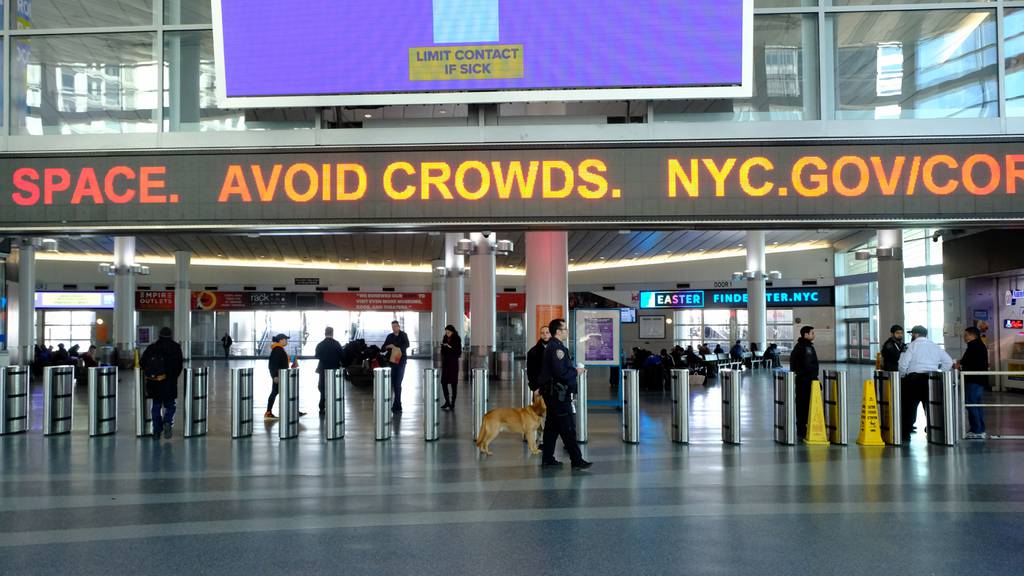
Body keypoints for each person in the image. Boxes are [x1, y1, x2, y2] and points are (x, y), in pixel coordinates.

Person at [539, 318, 591, 470]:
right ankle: (577, 460)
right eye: (565, 329)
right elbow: (560, 372)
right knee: (567, 427)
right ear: (558, 332)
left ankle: (547, 458)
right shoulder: (557, 349)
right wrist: (576, 371)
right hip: (558, 395)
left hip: (554, 394)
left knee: (551, 428)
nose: (567, 331)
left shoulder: (557, 346)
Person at [898, 325, 954, 442]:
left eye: (912, 334)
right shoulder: (934, 346)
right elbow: (948, 362)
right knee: (930, 405)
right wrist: (939, 375)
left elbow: (903, 364)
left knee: (910, 406)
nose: (911, 336)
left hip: (914, 379)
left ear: (916, 334)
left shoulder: (912, 346)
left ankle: (905, 433)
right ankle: (932, 429)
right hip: (931, 378)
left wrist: (903, 375)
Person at [141, 327, 184, 439]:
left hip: (155, 383)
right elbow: (180, 366)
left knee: (156, 406)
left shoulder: (152, 347)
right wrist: (173, 377)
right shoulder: (176, 348)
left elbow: (142, 363)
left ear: (159, 335)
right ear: (171, 335)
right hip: (170, 383)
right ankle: (167, 422)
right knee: (170, 405)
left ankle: (156, 431)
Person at [789, 326, 819, 440]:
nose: (814, 335)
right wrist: (814, 379)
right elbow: (808, 366)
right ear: (806, 335)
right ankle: (802, 428)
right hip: (806, 381)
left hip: (801, 380)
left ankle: (801, 427)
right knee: (804, 404)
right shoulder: (806, 348)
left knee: (801, 404)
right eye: (812, 333)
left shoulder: (799, 346)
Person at [960, 326, 989, 439]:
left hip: (973, 380)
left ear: (973, 335)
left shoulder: (974, 346)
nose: (964, 337)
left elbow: (969, 362)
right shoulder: (979, 345)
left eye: (966, 335)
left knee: (971, 403)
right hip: (979, 380)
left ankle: (977, 430)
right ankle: (979, 429)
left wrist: (960, 364)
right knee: (976, 404)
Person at [265, 333, 302, 420]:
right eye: (285, 339)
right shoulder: (277, 349)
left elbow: (284, 359)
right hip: (279, 376)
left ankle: (293, 411)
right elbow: (273, 364)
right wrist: (275, 376)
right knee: (275, 392)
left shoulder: (279, 349)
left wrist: (293, 359)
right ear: (281, 340)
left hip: (282, 375)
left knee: (283, 393)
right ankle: (268, 412)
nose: (286, 341)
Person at [314, 327, 344, 416]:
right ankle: (333, 407)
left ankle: (322, 408)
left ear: (325, 333)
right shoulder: (337, 344)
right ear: (332, 333)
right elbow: (342, 356)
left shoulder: (320, 344)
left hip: (323, 369)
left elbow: (317, 356)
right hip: (334, 369)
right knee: (334, 388)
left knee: (323, 389)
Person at [383, 321, 410, 412]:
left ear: (399, 327)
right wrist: (388, 346)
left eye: (395, 326)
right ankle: (397, 404)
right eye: (392, 327)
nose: (394, 328)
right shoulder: (389, 336)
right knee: (394, 384)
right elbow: (383, 348)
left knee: (398, 383)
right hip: (392, 362)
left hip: (401, 361)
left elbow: (407, 344)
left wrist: (395, 347)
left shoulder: (403, 335)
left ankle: (397, 404)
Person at [440, 324, 462, 410]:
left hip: (453, 364)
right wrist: (445, 347)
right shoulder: (445, 338)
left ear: (452, 332)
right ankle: (447, 401)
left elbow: (458, 352)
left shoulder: (457, 338)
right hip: (446, 364)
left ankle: (452, 403)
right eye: (446, 332)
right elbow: (442, 351)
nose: (447, 334)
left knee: (453, 384)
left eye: (448, 332)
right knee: (443, 382)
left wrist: (449, 347)